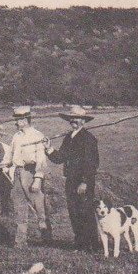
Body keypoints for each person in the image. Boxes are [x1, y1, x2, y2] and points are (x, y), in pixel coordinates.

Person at [45, 105, 100, 251]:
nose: (73, 121)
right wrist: (49, 148)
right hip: (70, 180)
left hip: (83, 181)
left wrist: (84, 182)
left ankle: (92, 245)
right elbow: (60, 158)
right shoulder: (69, 137)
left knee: (85, 212)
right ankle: (80, 244)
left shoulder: (89, 139)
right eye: (71, 118)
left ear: (83, 121)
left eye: (76, 118)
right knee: (74, 212)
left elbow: (91, 163)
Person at [0, 106, 51, 248]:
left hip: (31, 173)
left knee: (39, 208)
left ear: (24, 120)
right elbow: (10, 156)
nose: (15, 123)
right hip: (17, 173)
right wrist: (0, 164)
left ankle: (47, 239)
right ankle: (20, 241)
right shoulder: (16, 136)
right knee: (19, 207)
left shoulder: (37, 136)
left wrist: (38, 179)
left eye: (17, 120)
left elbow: (41, 159)